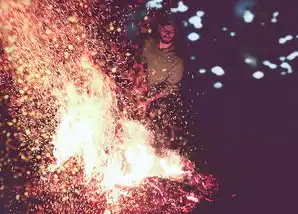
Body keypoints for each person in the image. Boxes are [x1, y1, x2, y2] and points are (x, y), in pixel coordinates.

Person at [134, 18, 186, 150]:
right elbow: (138, 62)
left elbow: (171, 88)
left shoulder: (176, 60)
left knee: (150, 133)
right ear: (159, 29)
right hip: (138, 90)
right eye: (165, 29)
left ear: (175, 33)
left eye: (171, 31)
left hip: (156, 101)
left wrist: (148, 100)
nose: (167, 34)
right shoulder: (149, 44)